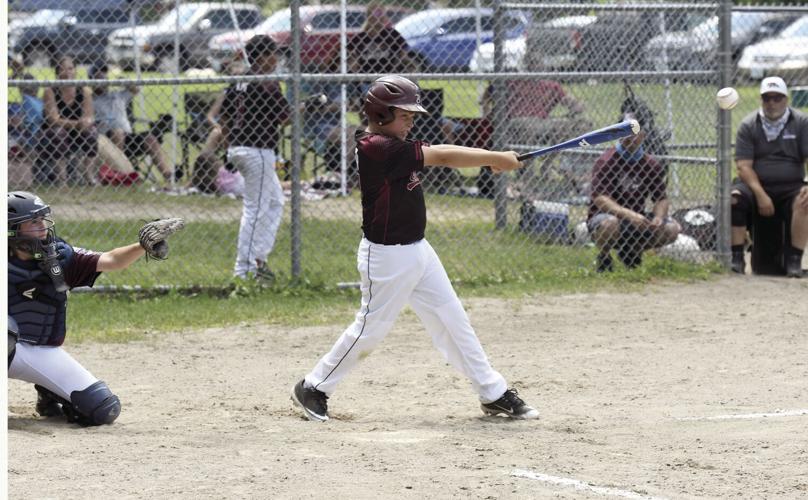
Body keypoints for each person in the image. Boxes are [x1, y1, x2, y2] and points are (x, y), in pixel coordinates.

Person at [290, 75, 539, 422]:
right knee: (370, 329)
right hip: (388, 256)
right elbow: (442, 156)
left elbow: (441, 155)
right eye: (405, 114)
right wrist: (495, 156)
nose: (411, 120)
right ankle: (314, 386)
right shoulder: (378, 146)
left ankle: (492, 391)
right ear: (381, 114)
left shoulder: (396, 145)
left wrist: (488, 160)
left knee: (454, 319)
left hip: (418, 250)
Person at [7, 191, 183, 425]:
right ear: (11, 230)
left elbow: (112, 260)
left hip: (37, 351)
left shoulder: (60, 257)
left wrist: (142, 246)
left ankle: (51, 392)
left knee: (102, 409)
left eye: (43, 219)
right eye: (33, 222)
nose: (43, 227)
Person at [220, 35, 290, 280]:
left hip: (239, 147)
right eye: (273, 53)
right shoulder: (267, 83)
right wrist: (305, 109)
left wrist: (228, 149)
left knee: (276, 201)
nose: (277, 58)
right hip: (257, 150)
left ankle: (258, 257)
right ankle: (244, 269)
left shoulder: (239, 80)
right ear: (261, 56)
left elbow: (225, 119)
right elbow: (286, 117)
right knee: (255, 209)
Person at [731, 76, 808, 278]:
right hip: (756, 182)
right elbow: (743, 166)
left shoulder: (801, 122)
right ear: (761, 100)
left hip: (791, 184)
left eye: (777, 98)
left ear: (786, 100)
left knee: (805, 200)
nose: (772, 103)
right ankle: (737, 258)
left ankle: (794, 261)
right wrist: (760, 194)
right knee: (734, 198)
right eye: (767, 99)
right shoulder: (749, 124)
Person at [587, 110, 681, 272]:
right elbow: (600, 199)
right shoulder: (607, 160)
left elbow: (661, 198)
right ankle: (604, 257)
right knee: (610, 224)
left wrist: (658, 217)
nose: (630, 136)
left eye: (634, 131)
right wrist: (629, 214)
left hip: (638, 218)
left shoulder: (650, 164)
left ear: (643, 135)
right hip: (608, 218)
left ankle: (631, 251)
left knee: (671, 229)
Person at [89, 62, 174, 182]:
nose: (103, 79)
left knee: (150, 139)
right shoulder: (91, 100)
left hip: (128, 137)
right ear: (92, 80)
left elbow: (136, 89)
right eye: (99, 77)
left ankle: (167, 174)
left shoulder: (118, 95)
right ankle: (122, 172)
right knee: (117, 133)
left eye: (104, 75)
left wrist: (125, 81)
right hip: (106, 141)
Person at [36, 56, 98, 185]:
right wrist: (77, 124)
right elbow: (53, 120)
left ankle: (89, 176)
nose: (67, 72)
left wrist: (86, 123)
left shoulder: (84, 90)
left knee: (92, 132)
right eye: (63, 69)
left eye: (70, 68)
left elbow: (89, 116)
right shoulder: (50, 91)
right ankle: (62, 179)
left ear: (75, 70)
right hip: (51, 133)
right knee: (59, 132)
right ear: (57, 73)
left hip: (77, 132)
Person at [347, 3, 414, 104]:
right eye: (374, 16)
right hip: (365, 80)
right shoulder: (360, 38)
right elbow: (352, 61)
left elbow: (404, 55)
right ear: (368, 17)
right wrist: (355, 68)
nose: (377, 20)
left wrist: (403, 67)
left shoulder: (392, 35)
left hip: (389, 77)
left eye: (380, 15)